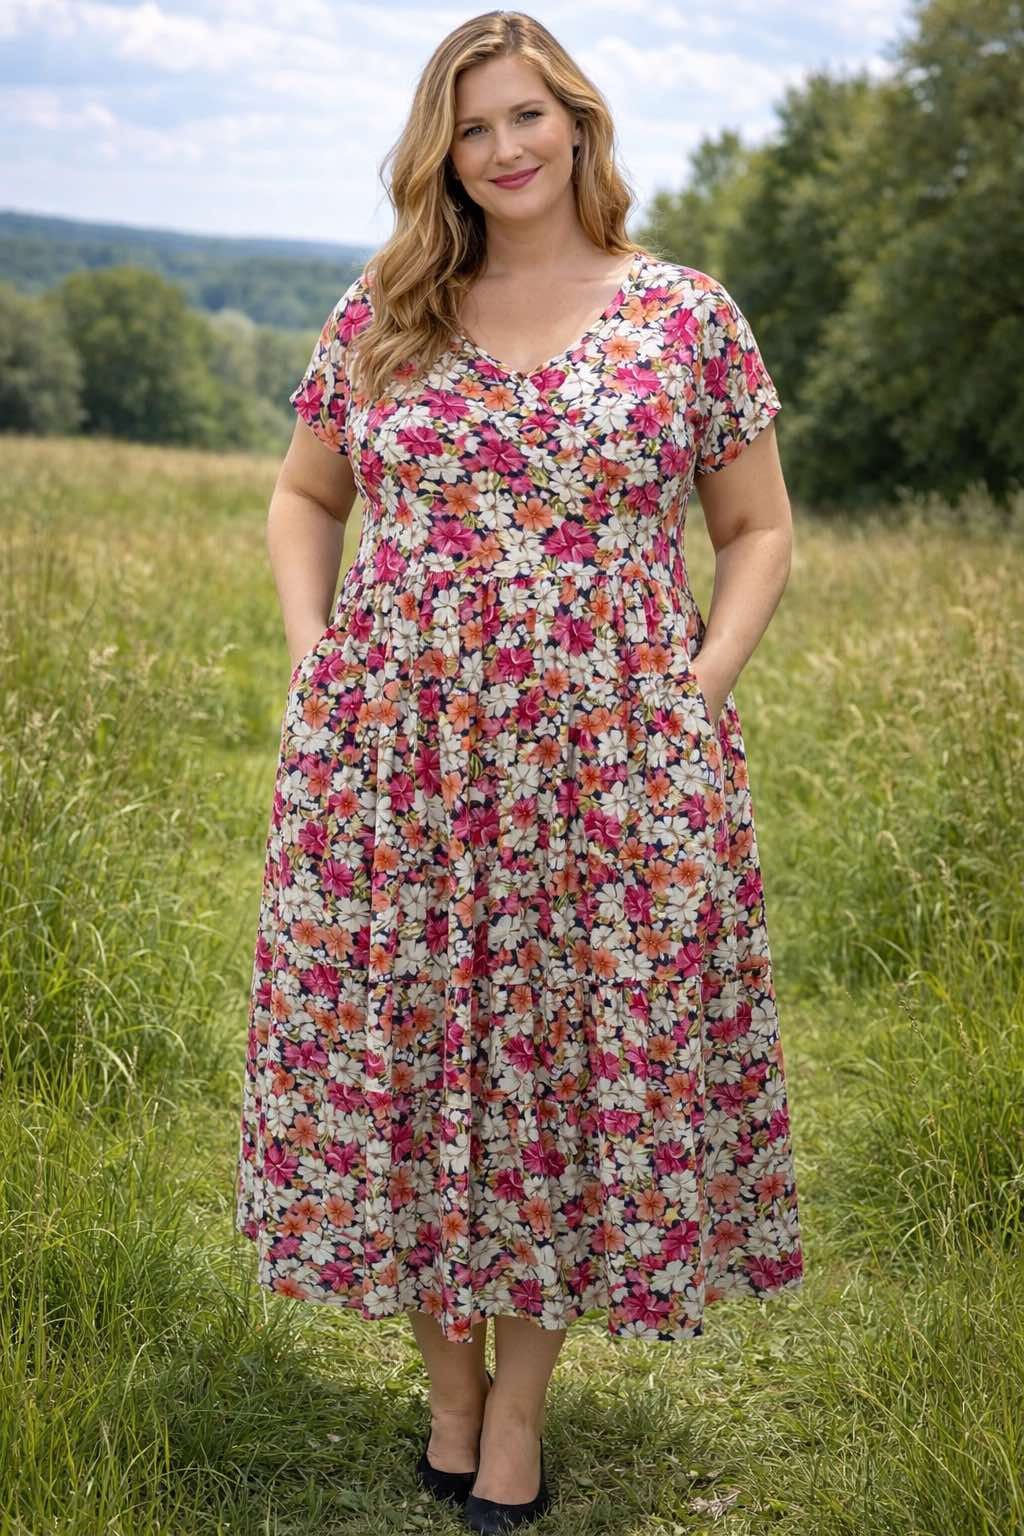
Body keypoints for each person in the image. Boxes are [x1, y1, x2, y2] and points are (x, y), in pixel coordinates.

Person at [235, 9, 804, 1530]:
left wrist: (693, 692)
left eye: (526, 117)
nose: (503, 150)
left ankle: (518, 1413)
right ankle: (447, 1393)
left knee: (564, 1073)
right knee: (416, 1060)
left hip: (610, 768)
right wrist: (316, 659)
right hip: (399, 762)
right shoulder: (387, 308)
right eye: (472, 127)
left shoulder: (685, 316)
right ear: (442, 152)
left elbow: (758, 528)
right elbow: (305, 497)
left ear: (578, 122)